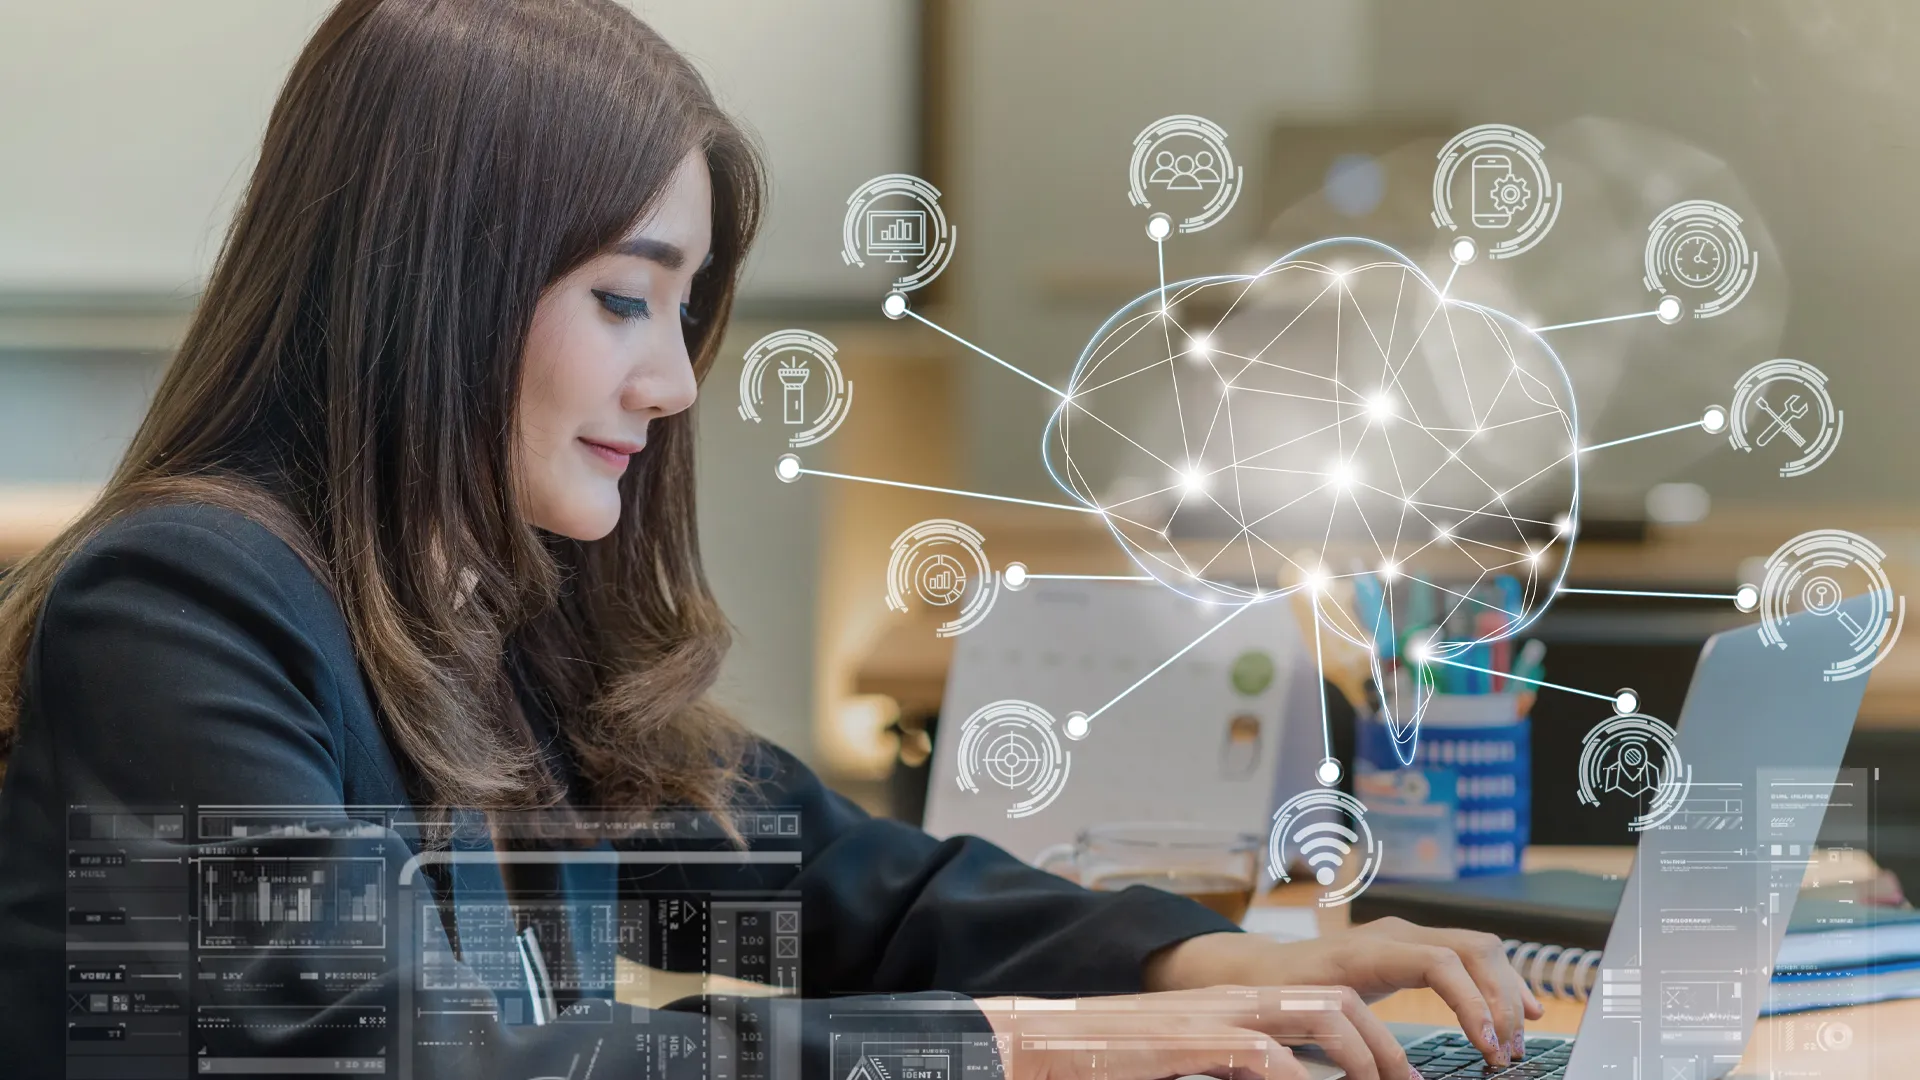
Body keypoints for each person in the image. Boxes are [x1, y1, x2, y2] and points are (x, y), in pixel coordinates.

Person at [0, 2, 1540, 1078]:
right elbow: (391, 1059)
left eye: (681, 313)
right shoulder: (182, 610)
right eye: (621, 298)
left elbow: (835, 884)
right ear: (434, 281)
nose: (670, 385)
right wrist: (1020, 1049)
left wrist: (1199, 969)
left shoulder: (492, 625)